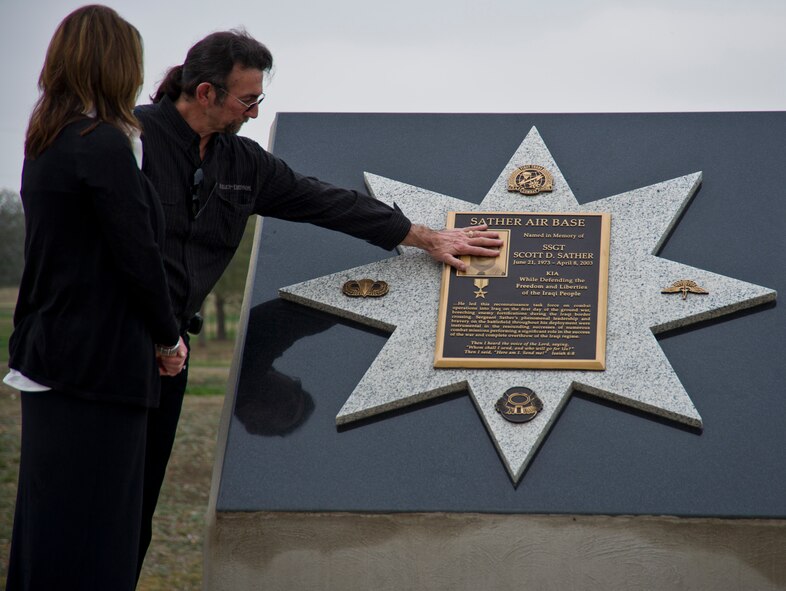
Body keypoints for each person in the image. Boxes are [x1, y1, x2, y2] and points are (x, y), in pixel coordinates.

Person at [133, 29, 502, 576]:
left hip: (171, 357)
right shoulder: (132, 139)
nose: (255, 114)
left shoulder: (245, 163)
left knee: (137, 506)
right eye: (247, 100)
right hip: (117, 341)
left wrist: (425, 237)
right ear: (205, 92)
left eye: (260, 100)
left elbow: (324, 201)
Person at [3, 6, 186, 590]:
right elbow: (137, 256)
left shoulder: (46, 138)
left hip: (49, 352)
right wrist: (168, 335)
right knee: (99, 532)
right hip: (100, 363)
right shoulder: (102, 144)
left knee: (48, 524)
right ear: (116, 66)